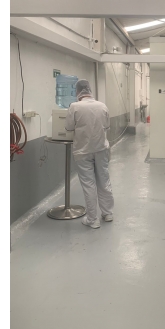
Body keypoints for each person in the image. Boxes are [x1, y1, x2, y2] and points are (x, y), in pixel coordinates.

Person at [65, 79, 115, 229]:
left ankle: (93, 220)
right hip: (101, 149)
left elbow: (68, 128)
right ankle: (107, 213)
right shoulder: (102, 106)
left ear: (77, 91)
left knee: (89, 185)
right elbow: (107, 126)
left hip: (83, 151)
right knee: (104, 180)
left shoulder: (74, 107)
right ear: (89, 90)